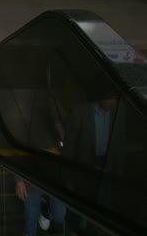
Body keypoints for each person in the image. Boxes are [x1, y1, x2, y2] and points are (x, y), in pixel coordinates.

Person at [63, 84, 125, 235]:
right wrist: (67, 178)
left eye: (115, 99)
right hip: (84, 169)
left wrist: (119, 173)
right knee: (78, 207)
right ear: (101, 97)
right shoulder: (80, 113)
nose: (114, 102)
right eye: (111, 98)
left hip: (107, 168)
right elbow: (69, 148)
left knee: (102, 209)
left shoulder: (118, 114)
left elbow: (120, 144)